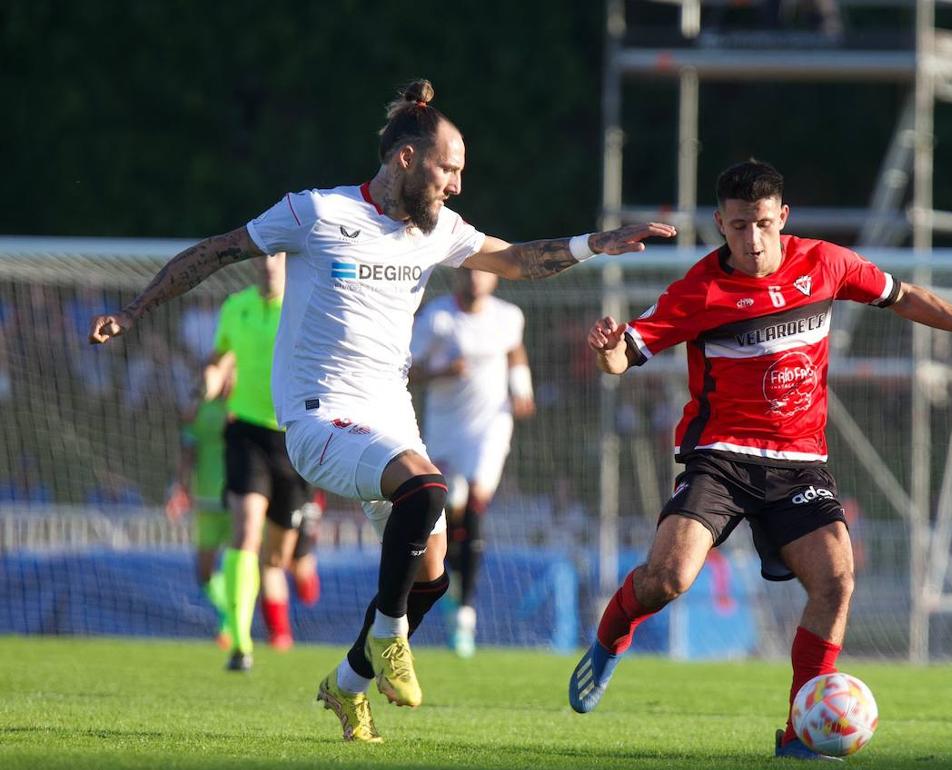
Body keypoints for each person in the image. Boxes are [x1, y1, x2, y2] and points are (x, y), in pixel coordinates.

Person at [88, 77, 675, 743]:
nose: (456, 185)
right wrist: (134, 311)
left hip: (389, 418)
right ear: (406, 159)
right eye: (448, 169)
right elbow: (216, 252)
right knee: (427, 490)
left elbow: (515, 259)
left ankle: (346, 685)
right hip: (316, 419)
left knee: (430, 575)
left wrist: (596, 244)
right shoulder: (315, 213)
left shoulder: (437, 231)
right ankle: (391, 636)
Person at [566, 159, 952, 760]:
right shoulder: (699, 290)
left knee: (837, 579)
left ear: (782, 218)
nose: (752, 240)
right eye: (738, 227)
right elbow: (623, 359)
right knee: (667, 581)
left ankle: (799, 737)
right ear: (720, 224)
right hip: (721, 460)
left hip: (800, 464)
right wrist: (607, 351)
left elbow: (903, 296)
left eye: (762, 224)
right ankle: (613, 636)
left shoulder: (827, 263)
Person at [408, 268, 535, 658]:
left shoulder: (507, 316)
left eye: (485, 273)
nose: (477, 280)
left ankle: (465, 611)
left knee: (476, 502)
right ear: (459, 276)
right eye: (471, 272)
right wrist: (443, 370)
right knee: (454, 510)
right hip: (446, 432)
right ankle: (455, 589)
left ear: (495, 279)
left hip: (491, 427)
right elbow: (408, 370)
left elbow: (514, 349)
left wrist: (522, 389)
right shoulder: (438, 318)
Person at [204, 253, 317, 670]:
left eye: (279, 260)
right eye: (265, 259)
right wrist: (211, 382)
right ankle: (240, 642)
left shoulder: (307, 306)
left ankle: (300, 571)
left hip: (294, 436)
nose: (270, 266)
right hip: (246, 432)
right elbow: (220, 358)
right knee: (245, 531)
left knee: (277, 559)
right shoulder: (236, 306)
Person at [165, 358, 235, 650]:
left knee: (237, 565)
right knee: (204, 572)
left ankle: (229, 626)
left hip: (238, 500)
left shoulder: (242, 410)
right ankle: (230, 615)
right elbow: (188, 451)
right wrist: (180, 488)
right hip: (206, 500)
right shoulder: (197, 411)